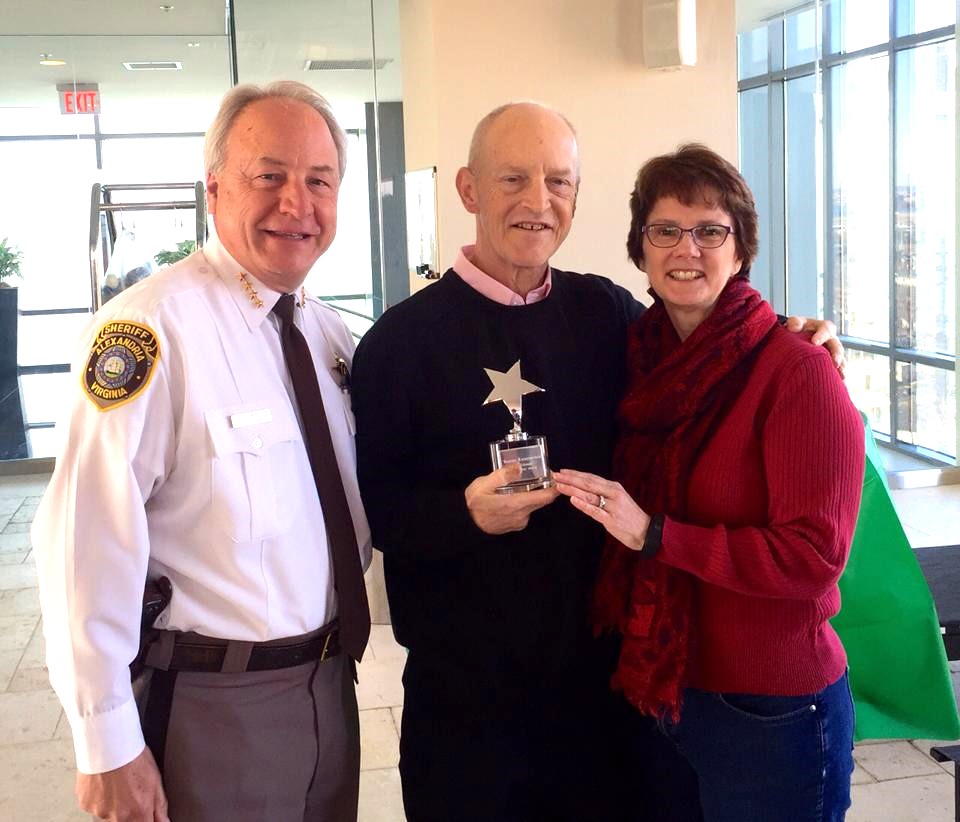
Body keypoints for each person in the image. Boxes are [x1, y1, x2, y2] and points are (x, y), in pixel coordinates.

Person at [350, 102, 843, 821]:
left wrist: (801, 337)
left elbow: (712, 344)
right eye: (512, 178)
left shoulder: (607, 315)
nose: (537, 201)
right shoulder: (398, 343)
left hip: (601, 698)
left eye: (558, 181)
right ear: (467, 190)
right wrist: (465, 515)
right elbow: (380, 514)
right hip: (465, 710)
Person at [33, 80, 371, 822]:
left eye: (319, 180)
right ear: (214, 187)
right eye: (269, 176)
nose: (297, 203)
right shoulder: (150, 332)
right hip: (215, 704)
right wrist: (106, 741)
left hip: (328, 686)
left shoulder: (326, 335)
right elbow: (80, 544)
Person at [554, 144, 865, 821]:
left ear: (740, 246)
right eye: (664, 230)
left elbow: (813, 557)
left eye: (710, 231)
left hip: (771, 712)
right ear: (640, 248)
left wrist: (657, 535)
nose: (685, 248)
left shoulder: (797, 370)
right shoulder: (643, 358)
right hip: (665, 691)